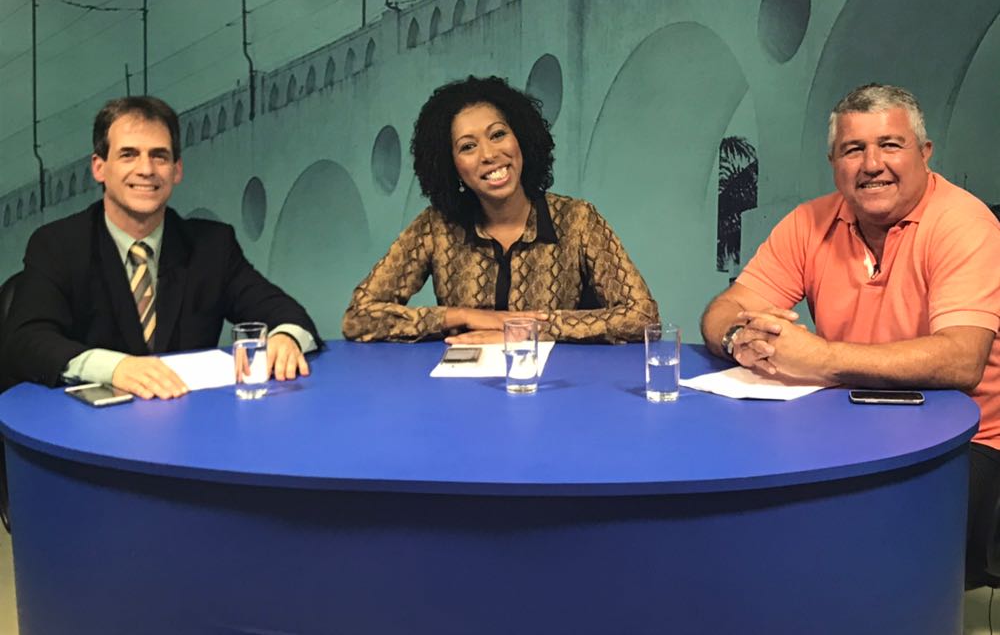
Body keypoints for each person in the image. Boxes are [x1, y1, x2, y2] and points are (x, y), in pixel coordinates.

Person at [700, 82, 1000, 584]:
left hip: (967, 438)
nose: (872, 164)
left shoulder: (964, 224)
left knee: (874, 559)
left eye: (890, 145)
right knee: (746, 505)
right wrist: (739, 339)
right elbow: (725, 308)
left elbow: (962, 359)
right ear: (833, 162)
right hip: (846, 420)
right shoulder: (808, 222)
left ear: (924, 153)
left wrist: (820, 358)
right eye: (853, 149)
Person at [0, 96, 321, 400]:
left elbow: (288, 314)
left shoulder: (212, 246)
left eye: (159, 156)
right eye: (128, 155)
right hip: (82, 429)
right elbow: (26, 341)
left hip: (189, 423)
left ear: (176, 170)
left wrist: (285, 337)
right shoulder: (57, 244)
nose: (146, 169)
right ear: (99, 167)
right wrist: (115, 368)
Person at [342, 75, 658, 344]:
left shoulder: (577, 219)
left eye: (498, 135)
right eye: (468, 146)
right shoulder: (435, 225)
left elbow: (643, 316)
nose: (489, 154)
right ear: (451, 165)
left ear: (521, 139)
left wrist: (528, 331)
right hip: (464, 387)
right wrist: (464, 316)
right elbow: (359, 317)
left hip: (555, 385)